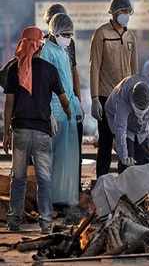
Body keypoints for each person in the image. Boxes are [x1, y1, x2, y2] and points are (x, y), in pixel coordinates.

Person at [3, 27, 71, 233]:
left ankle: (14, 220)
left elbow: (8, 104)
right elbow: (63, 98)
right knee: (44, 178)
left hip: (20, 130)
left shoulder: (14, 69)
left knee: (19, 178)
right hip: (42, 132)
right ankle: (45, 222)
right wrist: (69, 114)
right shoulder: (49, 69)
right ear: (40, 47)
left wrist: (6, 132)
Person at [90, 0, 138, 178]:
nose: (126, 14)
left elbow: (134, 71)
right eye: (123, 11)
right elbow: (95, 67)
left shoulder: (131, 36)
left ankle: (124, 186)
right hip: (105, 96)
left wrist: (134, 97)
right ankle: (101, 183)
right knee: (106, 143)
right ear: (114, 12)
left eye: (128, 11)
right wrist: (95, 99)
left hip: (125, 99)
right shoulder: (101, 34)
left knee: (126, 141)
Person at [40, 13, 82, 207]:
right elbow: (44, 86)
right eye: (65, 34)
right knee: (54, 160)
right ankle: (52, 200)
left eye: (70, 34)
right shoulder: (46, 52)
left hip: (68, 112)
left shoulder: (63, 52)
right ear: (54, 32)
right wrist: (48, 112)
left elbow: (68, 85)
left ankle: (65, 198)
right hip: (55, 112)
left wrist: (76, 106)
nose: (68, 38)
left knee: (68, 160)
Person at [105, 75, 149, 173]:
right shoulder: (122, 100)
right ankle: (124, 183)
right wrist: (124, 156)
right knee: (127, 156)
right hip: (117, 115)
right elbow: (121, 130)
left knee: (144, 155)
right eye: (138, 109)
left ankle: (144, 184)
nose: (140, 114)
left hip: (143, 120)